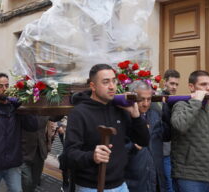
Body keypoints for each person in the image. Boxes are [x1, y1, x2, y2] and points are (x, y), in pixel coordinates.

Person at [64, 64, 150, 192]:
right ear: (93, 86)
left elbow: (143, 141)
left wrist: (136, 116)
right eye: (106, 82)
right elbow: (69, 155)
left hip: (120, 185)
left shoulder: (120, 109)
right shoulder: (79, 113)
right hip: (90, 187)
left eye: (113, 81)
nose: (112, 86)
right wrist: (92, 156)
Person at [124, 80, 165, 192]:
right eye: (141, 99)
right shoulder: (123, 117)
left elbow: (165, 137)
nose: (146, 104)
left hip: (154, 177)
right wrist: (132, 146)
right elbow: (117, 148)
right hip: (132, 180)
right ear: (132, 98)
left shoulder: (155, 114)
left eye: (149, 99)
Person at [21, 116, 58, 192]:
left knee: (35, 180)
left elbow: (55, 116)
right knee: (26, 181)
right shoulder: (23, 107)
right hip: (24, 151)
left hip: (40, 151)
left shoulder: (44, 109)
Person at [161, 69, 180, 192]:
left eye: (177, 84)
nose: (174, 87)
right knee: (168, 181)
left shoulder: (174, 100)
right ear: (164, 83)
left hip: (173, 147)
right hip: (163, 147)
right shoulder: (158, 99)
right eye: (172, 83)